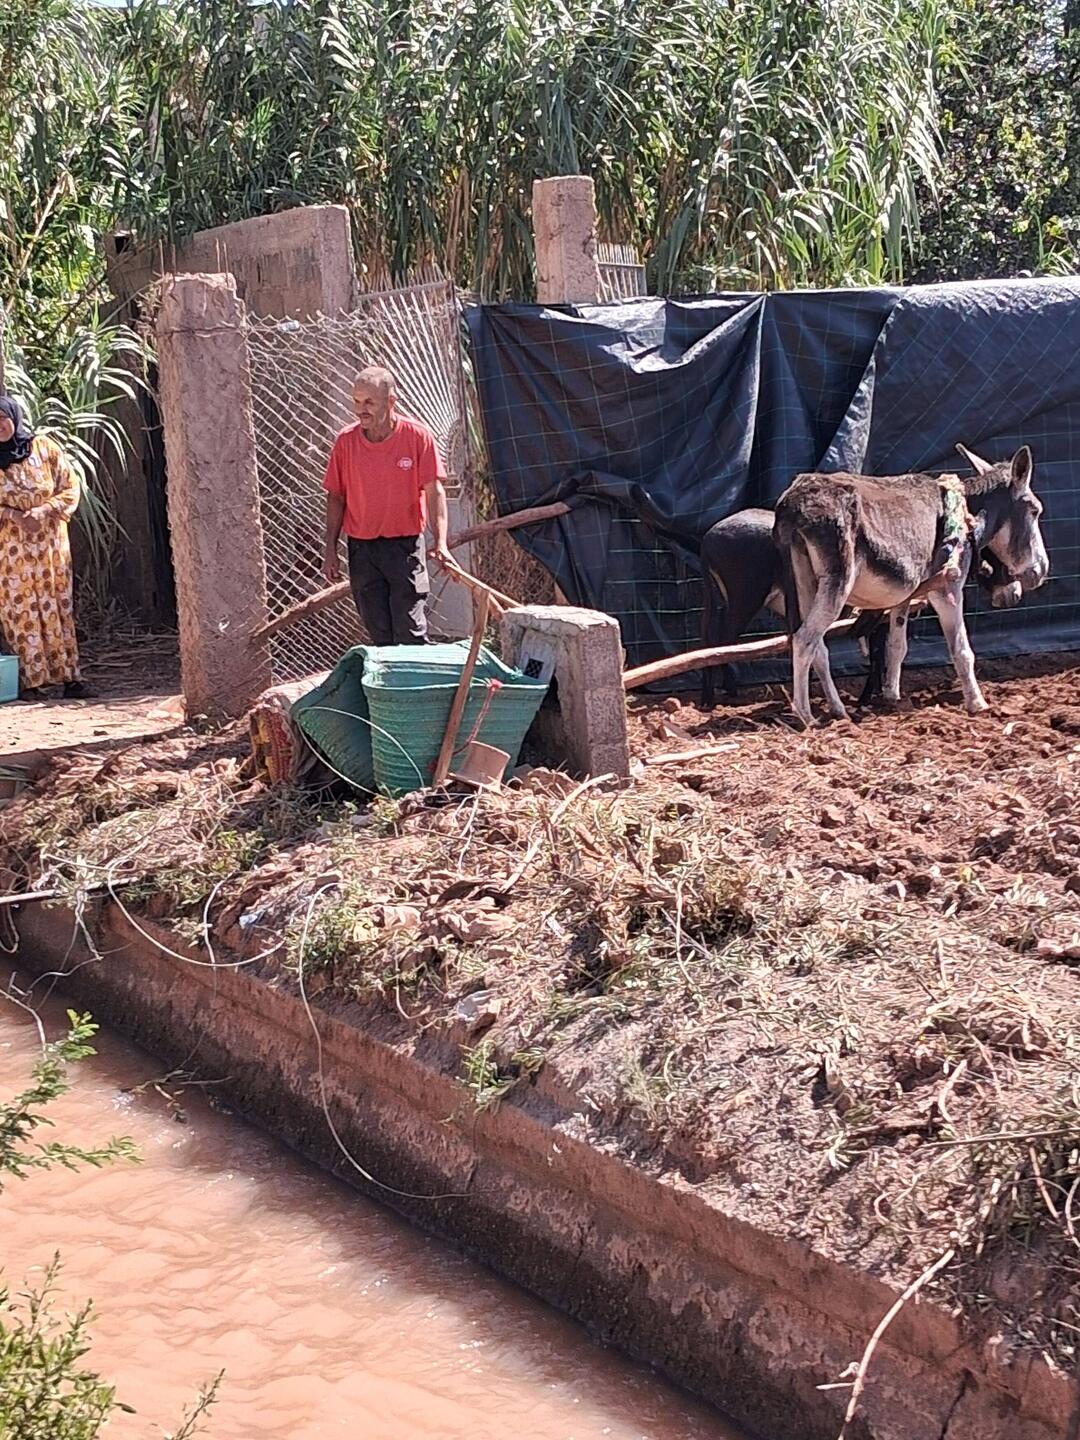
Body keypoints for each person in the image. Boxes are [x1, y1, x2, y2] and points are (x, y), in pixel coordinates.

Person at [322, 366, 452, 645]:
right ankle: (389, 688)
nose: (360, 409)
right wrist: (330, 549)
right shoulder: (345, 442)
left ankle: (415, 685)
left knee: (409, 631)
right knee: (378, 632)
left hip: (403, 548)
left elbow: (434, 492)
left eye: (369, 402)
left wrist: (440, 542)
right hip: (362, 549)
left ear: (391, 401)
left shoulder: (417, 437)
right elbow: (336, 496)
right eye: (356, 401)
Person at [0, 395, 86, 699]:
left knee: (58, 606)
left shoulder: (45, 448)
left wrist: (44, 510)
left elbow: (70, 487)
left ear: (14, 416)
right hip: (12, 552)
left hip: (51, 546)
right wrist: (14, 515)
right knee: (20, 610)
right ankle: (32, 682)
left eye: (2, 417)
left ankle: (70, 678)